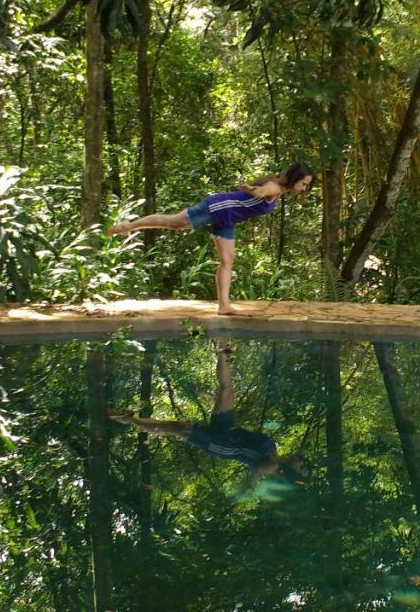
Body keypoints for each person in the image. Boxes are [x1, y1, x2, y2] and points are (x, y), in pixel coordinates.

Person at [107, 162, 314, 315]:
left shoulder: (279, 191)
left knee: (227, 259)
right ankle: (129, 226)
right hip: (219, 207)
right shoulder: (275, 187)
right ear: (295, 178)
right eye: (303, 184)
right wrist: (254, 191)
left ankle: (224, 306)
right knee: (174, 223)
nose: (304, 188)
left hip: (228, 218)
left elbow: (260, 192)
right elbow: (262, 191)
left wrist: (253, 191)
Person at [108, 340, 308, 487]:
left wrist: (247, 490)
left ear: (291, 470)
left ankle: (128, 419)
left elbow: (255, 476)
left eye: (302, 467)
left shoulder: (271, 465)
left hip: (219, 444)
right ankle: (221, 348)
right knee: (227, 389)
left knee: (174, 427)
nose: (302, 462)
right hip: (228, 429)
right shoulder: (273, 451)